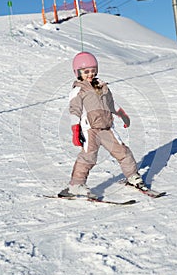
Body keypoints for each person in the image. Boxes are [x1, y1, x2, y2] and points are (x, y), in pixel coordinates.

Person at [59, 51, 146, 199]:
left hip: (107, 127)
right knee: (88, 157)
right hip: (90, 129)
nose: (90, 74)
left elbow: (111, 104)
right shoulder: (78, 90)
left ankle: (133, 177)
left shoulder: (102, 85)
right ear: (78, 72)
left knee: (123, 152)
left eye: (93, 70)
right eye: (86, 71)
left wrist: (123, 115)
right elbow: (74, 111)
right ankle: (76, 185)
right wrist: (75, 131)